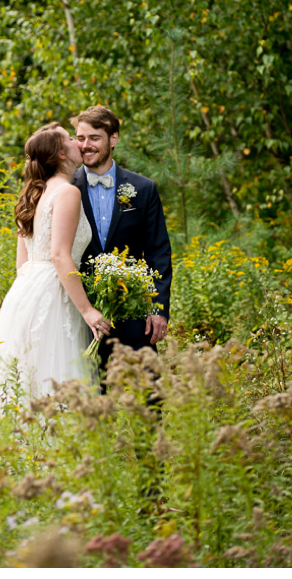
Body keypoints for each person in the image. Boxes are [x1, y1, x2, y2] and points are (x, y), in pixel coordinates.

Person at [0, 122, 111, 421]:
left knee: (29, 373)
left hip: (27, 292)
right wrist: (88, 310)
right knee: (55, 371)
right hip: (56, 291)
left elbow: (21, 264)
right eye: (70, 138)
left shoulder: (34, 193)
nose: (79, 142)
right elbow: (59, 255)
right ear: (61, 155)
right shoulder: (67, 192)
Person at [72, 105, 173, 386]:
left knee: (149, 395)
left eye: (94, 138)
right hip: (79, 312)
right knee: (86, 397)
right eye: (80, 138)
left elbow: (158, 252)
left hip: (132, 310)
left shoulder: (143, 189)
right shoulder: (66, 187)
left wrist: (158, 308)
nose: (85, 145)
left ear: (113, 139)